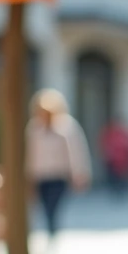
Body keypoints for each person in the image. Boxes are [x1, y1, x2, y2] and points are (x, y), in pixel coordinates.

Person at [25, 89, 91, 238]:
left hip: (58, 175)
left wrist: (79, 173)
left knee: (53, 207)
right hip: (40, 176)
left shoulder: (66, 126)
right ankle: (51, 231)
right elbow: (30, 155)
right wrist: (28, 178)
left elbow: (76, 152)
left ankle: (52, 232)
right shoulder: (34, 128)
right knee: (45, 208)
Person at [99, 116, 128, 195]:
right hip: (113, 161)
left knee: (123, 178)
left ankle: (122, 191)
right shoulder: (110, 133)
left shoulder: (124, 133)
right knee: (114, 178)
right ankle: (114, 191)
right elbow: (105, 145)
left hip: (123, 161)